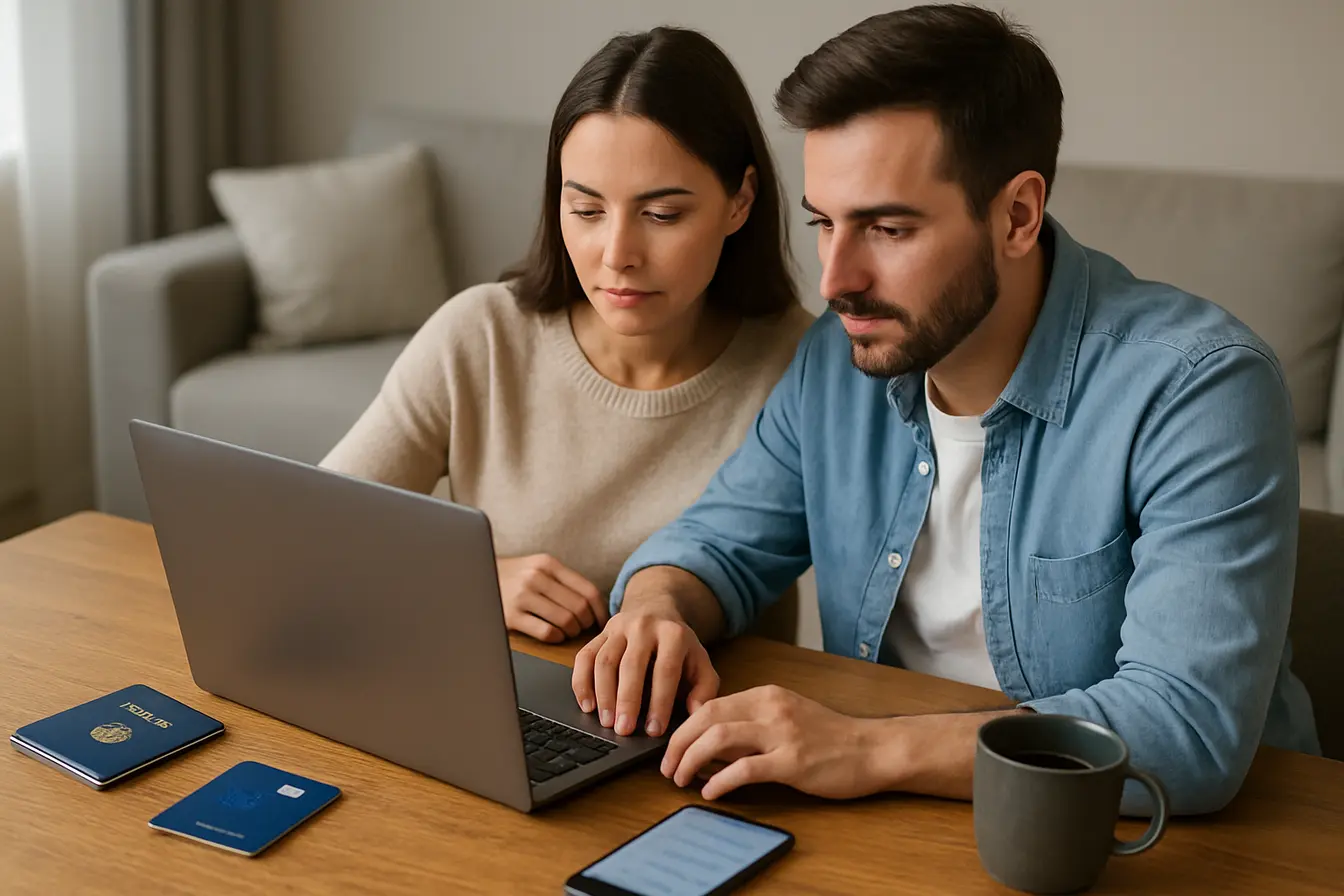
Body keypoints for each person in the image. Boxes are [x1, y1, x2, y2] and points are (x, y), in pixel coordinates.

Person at [573, 4, 1319, 814]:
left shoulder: (1200, 390)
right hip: (900, 817)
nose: (836, 280)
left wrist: (865, 747)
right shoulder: (839, 359)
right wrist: (657, 607)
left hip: (1162, 843)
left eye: (888, 228)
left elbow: (1186, 731)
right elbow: (718, 542)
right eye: (825, 223)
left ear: (1017, 215)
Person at [323, 27, 812, 645]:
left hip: (717, 701)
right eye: (586, 210)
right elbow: (317, 529)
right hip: (510, 691)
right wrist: (469, 580)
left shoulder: (805, 366)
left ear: (740, 200)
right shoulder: (481, 336)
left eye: (662, 214)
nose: (617, 254)